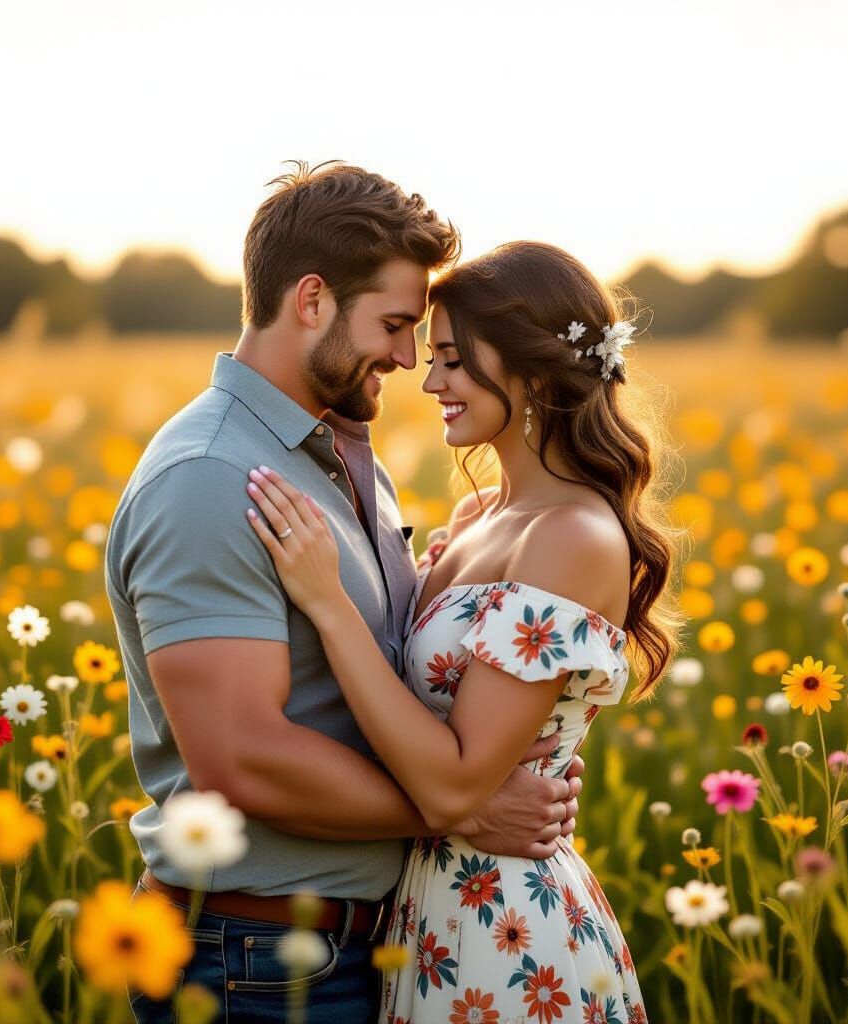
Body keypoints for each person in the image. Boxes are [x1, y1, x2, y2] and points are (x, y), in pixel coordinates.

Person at [104, 164, 588, 1024]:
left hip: (360, 947)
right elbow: (242, 758)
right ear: (313, 300)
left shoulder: (334, 456)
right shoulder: (214, 478)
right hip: (256, 963)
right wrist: (462, 806)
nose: (408, 358)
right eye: (396, 325)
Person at [246, 240, 685, 1023]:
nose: (429, 377)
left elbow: (453, 781)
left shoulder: (574, 538)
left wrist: (326, 600)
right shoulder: (479, 518)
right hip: (425, 914)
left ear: (533, 373)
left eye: (451, 358)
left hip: (509, 935)